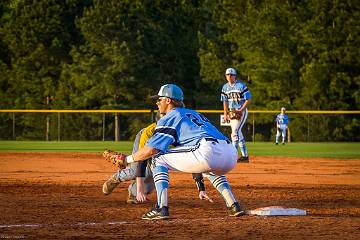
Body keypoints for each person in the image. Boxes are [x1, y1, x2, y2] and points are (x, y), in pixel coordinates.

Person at [111, 83, 245, 220]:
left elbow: (151, 150)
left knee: (157, 157)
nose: (157, 103)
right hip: (230, 153)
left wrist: (127, 159)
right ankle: (234, 205)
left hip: (206, 150)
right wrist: (201, 187)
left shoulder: (170, 117)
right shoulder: (195, 114)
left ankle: (161, 207)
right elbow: (201, 155)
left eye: (159, 99)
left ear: (168, 100)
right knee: (212, 167)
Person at [102, 112, 213, 204]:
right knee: (135, 171)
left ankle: (133, 192)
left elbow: (192, 161)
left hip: (160, 149)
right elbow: (142, 161)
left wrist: (201, 188)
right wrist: (141, 190)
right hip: (146, 143)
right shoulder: (148, 133)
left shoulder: (182, 135)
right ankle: (117, 177)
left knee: (154, 173)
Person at [221, 67, 251, 163]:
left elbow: (248, 99)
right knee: (238, 133)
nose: (229, 76)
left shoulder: (241, 85)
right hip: (231, 112)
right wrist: (225, 114)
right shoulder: (225, 87)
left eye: (231, 75)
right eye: (228, 75)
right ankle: (245, 156)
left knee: (235, 133)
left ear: (235, 76)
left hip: (241, 111)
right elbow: (225, 101)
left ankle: (233, 156)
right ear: (226, 76)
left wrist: (241, 110)